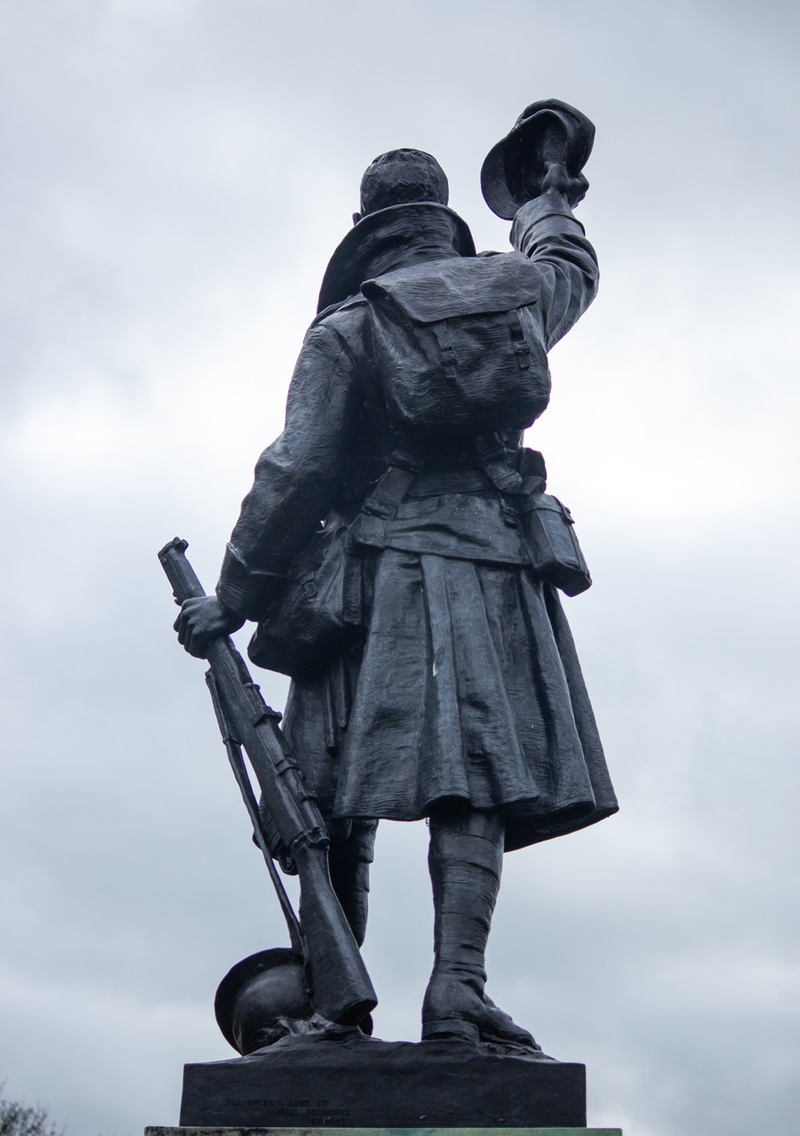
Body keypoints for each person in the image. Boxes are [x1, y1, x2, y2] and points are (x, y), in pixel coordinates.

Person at [175, 110, 618, 1051]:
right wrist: (547, 208)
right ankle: (459, 990)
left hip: (366, 582)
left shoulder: (351, 324)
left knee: (334, 789)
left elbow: (295, 472)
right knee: (476, 781)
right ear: (444, 222)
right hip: (493, 564)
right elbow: (573, 272)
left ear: (366, 228)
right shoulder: (517, 295)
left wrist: (236, 596)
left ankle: (337, 1002)